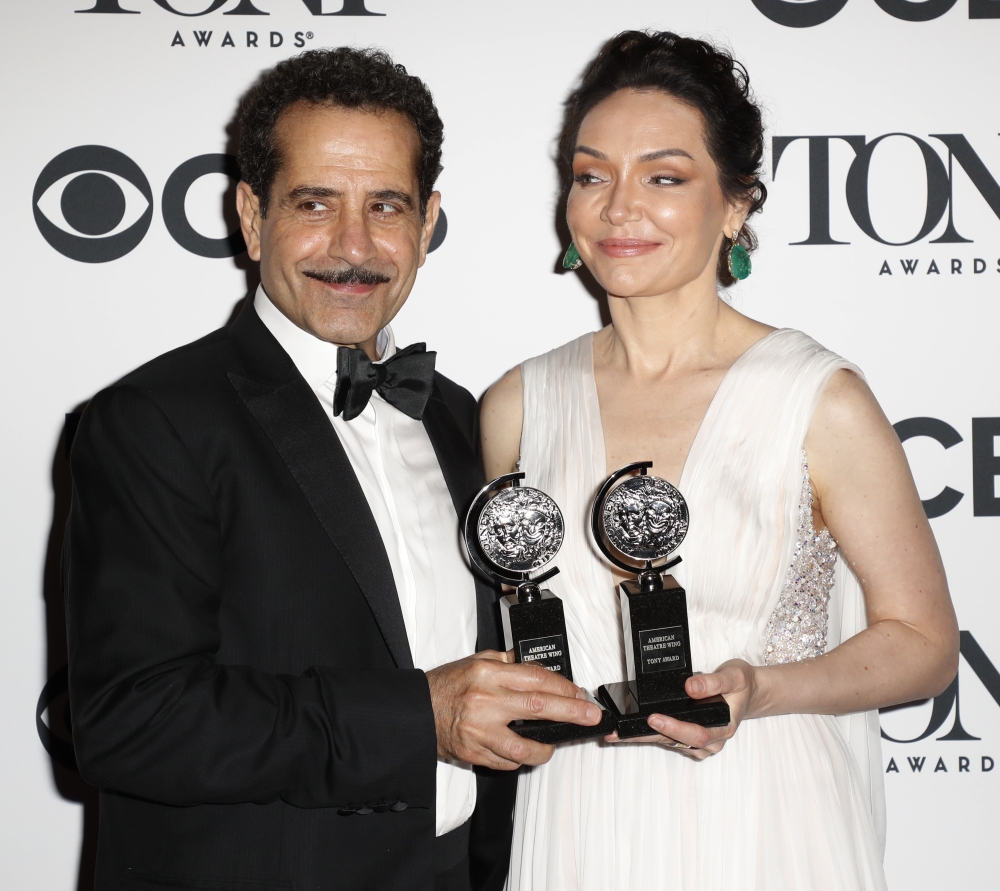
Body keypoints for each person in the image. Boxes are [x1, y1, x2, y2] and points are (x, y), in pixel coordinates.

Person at [63, 48, 604, 891]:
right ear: (251, 215)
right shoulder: (153, 421)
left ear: (427, 224)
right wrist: (420, 717)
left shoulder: (466, 418)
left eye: (385, 205)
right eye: (314, 203)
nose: (353, 246)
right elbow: (129, 721)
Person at [481, 31, 959, 891]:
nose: (619, 208)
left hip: (767, 821)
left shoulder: (818, 397)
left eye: (664, 177)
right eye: (592, 176)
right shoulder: (516, 404)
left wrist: (760, 687)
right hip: (580, 826)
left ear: (735, 204)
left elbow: (924, 644)